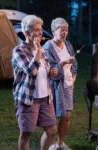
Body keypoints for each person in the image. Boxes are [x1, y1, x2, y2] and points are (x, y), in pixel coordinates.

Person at [11, 15, 58, 150]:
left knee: (51, 130)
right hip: (28, 99)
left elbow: (43, 71)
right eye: (37, 30)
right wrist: (37, 50)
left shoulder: (42, 50)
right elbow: (31, 71)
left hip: (45, 98)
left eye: (41, 29)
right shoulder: (19, 50)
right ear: (27, 33)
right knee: (26, 133)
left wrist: (51, 73)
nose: (41, 32)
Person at [43, 18, 78, 150]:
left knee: (67, 116)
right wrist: (62, 63)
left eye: (66, 30)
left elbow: (74, 63)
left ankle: (60, 143)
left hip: (69, 85)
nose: (64, 33)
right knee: (52, 118)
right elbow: (51, 70)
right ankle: (50, 144)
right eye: (61, 30)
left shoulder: (68, 44)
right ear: (53, 31)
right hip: (55, 86)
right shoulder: (48, 47)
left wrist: (74, 77)